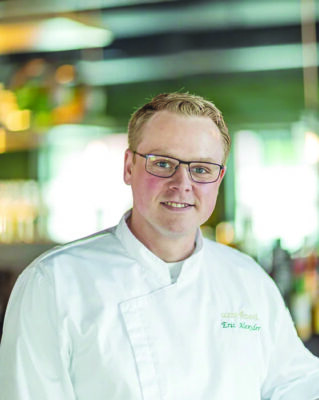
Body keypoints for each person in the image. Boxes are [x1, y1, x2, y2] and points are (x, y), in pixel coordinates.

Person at [0, 92, 318, 400]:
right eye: (163, 164)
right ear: (128, 167)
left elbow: (291, 383)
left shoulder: (248, 278)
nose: (182, 184)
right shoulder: (54, 282)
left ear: (218, 179)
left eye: (201, 169)